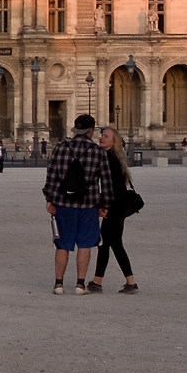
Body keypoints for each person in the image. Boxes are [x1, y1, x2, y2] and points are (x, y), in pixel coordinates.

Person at [42, 112, 112, 296]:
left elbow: (51, 176)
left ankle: (58, 284)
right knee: (85, 245)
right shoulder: (98, 151)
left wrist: (49, 199)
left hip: (63, 203)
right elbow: (106, 181)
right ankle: (80, 285)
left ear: (75, 129)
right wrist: (105, 204)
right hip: (88, 205)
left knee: (62, 245)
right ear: (91, 131)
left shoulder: (60, 147)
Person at [90, 126, 139, 294]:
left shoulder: (108, 158)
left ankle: (130, 282)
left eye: (106, 136)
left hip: (115, 204)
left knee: (114, 243)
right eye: (102, 135)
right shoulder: (115, 157)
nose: (101, 138)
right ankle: (97, 281)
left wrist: (103, 206)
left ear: (113, 141)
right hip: (119, 203)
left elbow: (110, 187)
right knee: (107, 243)